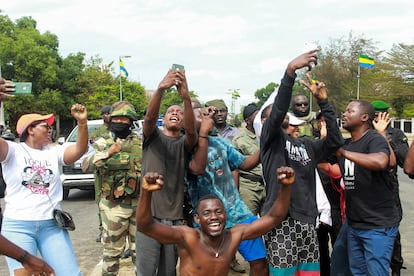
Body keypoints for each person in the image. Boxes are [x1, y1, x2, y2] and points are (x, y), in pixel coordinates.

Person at [260, 51, 344, 275]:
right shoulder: (270, 141)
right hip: (280, 221)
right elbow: (277, 111)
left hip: (307, 221)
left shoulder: (306, 146)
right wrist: (290, 72)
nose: (286, 120)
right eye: (280, 119)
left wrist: (323, 101)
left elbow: (335, 140)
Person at [137, 167, 294, 276]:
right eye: (207, 213)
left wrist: (286, 187)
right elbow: (146, 225)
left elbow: (274, 218)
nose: (214, 217)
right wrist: (146, 193)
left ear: (226, 216)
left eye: (219, 212)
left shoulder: (234, 236)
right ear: (197, 219)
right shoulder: (188, 237)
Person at [0, 104, 87, 275]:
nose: (50, 130)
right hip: (18, 226)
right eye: (46, 126)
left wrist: (82, 123)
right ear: (30, 129)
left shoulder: (53, 152)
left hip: (51, 226)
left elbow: (79, 150)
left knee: (69, 273)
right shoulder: (13, 150)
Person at [187, 103, 268, 275]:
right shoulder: (185, 147)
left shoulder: (219, 142)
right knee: (210, 267)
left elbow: (244, 163)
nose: (207, 117)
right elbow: (197, 169)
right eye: (200, 116)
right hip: (208, 218)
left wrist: (265, 145)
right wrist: (202, 134)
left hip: (237, 212)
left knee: (260, 262)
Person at [135, 68, 197, 276]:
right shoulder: (152, 137)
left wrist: (186, 98)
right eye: (171, 111)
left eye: (179, 113)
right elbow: (150, 120)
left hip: (174, 219)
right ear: (164, 117)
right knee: (145, 271)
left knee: (168, 272)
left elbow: (191, 131)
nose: (175, 114)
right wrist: (161, 88)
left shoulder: (185, 143)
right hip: (148, 217)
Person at [335, 100, 399, 275]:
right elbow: (331, 167)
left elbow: (381, 162)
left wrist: (343, 153)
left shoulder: (374, 138)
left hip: (377, 225)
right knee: (358, 272)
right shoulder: (347, 144)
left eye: (350, 111)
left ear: (364, 117)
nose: (344, 113)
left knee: (376, 273)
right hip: (355, 224)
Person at [82, 101, 141, 276]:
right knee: (112, 252)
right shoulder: (101, 142)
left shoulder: (140, 142)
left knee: (141, 252)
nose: (121, 122)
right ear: (111, 119)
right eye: (118, 118)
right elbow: (86, 165)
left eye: (125, 119)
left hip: (139, 204)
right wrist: (108, 153)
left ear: (131, 122)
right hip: (113, 206)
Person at [371, 100, 408, 276]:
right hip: (368, 190)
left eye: (380, 115)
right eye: (375, 115)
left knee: (392, 232)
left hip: (389, 188)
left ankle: (396, 267)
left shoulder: (395, 133)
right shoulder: (365, 132)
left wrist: (385, 136)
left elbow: (404, 162)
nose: (377, 118)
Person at [232, 103, 265, 216]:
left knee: (270, 224)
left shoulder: (267, 134)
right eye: (257, 116)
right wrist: (235, 194)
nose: (260, 119)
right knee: (247, 224)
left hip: (267, 185)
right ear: (248, 121)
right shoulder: (239, 140)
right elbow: (234, 168)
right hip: (249, 187)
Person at [89, 104, 112, 243]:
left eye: (109, 113)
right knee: (100, 199)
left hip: (113, 169)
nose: (107, 116)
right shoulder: (98, 131)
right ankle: (102, 229)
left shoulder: (117, 130)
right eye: (105, 113)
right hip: (100, 170)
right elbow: (94, 145)